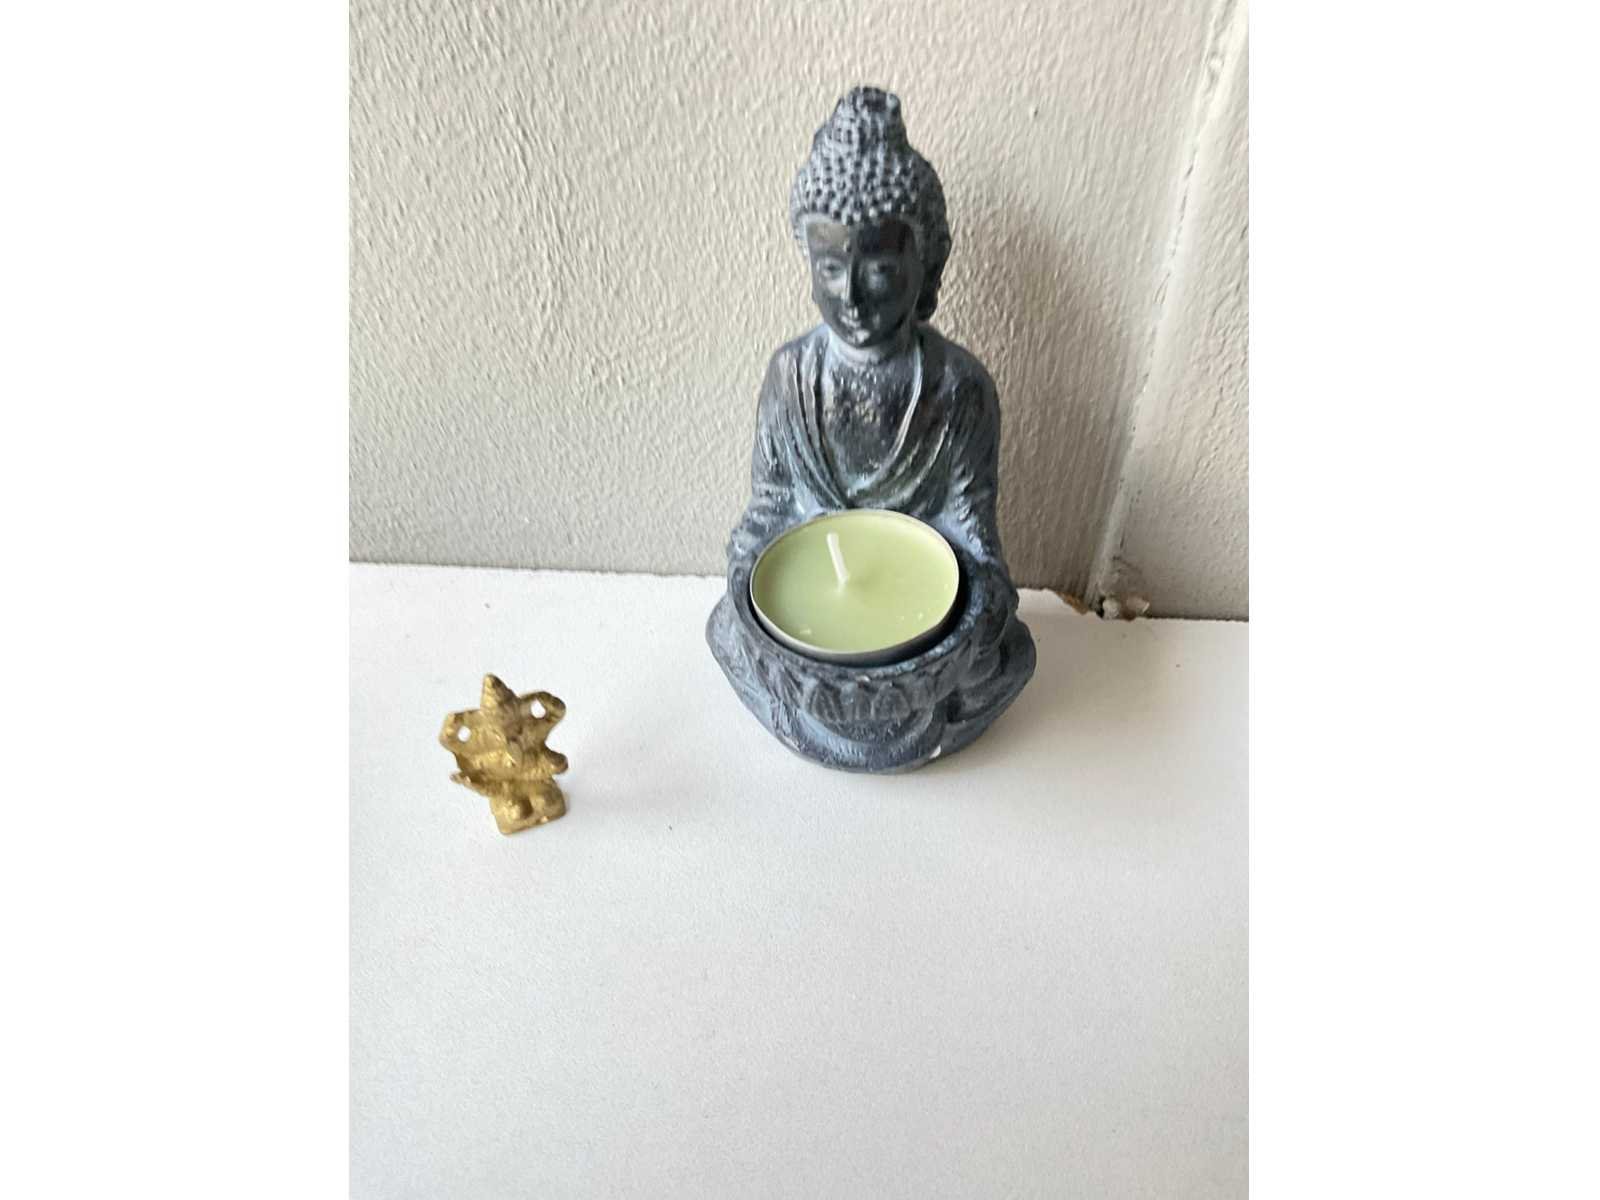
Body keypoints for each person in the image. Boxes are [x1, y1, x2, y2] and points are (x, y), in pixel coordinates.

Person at [707, 87, 1035, 771]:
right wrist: (744, 566)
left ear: (929, 263)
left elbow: (971, 530)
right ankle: (839, 700)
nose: (851, 294)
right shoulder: (791, 376)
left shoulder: (958, 388)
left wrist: (981, 606)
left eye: (880, 267)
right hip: (810, 643)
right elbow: (771, 508)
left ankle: (889, 703)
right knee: (732, 629)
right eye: (830, 267)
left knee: (993, 655)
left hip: (920, 642)